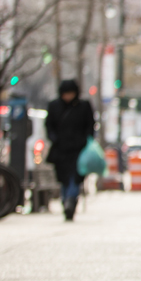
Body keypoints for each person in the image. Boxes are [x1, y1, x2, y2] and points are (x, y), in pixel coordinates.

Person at [45, 79, 95, 221]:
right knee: (64, 179)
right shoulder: (54, 106)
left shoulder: (84, 106)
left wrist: (85, 140)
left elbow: (90, 125)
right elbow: (49, 126)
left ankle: (70, 201)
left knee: (75, 177)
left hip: (78, 149)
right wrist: (54, 139)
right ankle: (67, 201)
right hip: (60, 150)